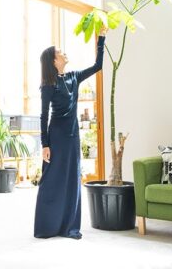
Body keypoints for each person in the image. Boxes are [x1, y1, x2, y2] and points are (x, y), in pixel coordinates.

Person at [34, 28, 107, 239]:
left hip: (73, 136)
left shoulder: (74, 77)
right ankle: (46, 226)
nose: (64, 53)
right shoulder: (48, 85)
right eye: (60, 51)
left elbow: (98, 65)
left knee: (73, 179)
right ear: (53, 60)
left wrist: (101, 38)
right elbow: (43, 116)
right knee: (51, 180)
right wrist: (45, 145)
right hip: (56, 137)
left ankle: (69, 227)